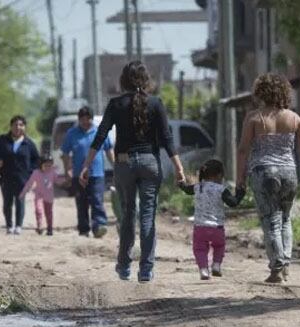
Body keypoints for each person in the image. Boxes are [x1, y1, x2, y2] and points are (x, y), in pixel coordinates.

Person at [80, 61, 186, 282]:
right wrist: (179, 168)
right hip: (150, 163)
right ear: (146, 80)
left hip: (124, 163)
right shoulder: (156, 104)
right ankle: (146, 270)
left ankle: (124, 266)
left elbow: (100, 136)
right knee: (148, 216)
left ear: (123, 81)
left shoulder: (116, 104)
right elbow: (167, 139)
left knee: (128, 214)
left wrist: (86, 166)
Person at [236, 73, 300, 283]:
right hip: (289, 173)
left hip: (263, 172)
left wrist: (240, 179)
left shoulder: (254, 118)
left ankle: (276, 269)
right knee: (285, 218)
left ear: (260, 93)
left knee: (271, 220)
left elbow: (243, 150)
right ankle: (286, 265)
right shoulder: (294, 118)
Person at [178, 159, 245, 280]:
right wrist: (241, 193)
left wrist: (181, 184)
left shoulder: (198, 187)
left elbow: (187, 190)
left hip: (200, 228)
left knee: (199, 249)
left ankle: (203, 270)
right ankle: (216, 265)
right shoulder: (221, 189)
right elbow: (233, 203)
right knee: (219, 246)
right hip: (217, 228)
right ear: (219, 175)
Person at [61, 106, 114, 238]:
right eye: (82, 119)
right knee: (82, 201)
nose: (85, 122)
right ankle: (84, 229)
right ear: (79, 120)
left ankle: (99, 226)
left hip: (97, 174)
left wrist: (116, 166)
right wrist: (67, 170)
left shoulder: (99, 132)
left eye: (88, 119)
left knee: (97, 200)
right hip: (78, 174)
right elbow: (65, 153)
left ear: (92, 118)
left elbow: (109, 150)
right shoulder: (71, 134)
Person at [0, 115, 40, 235]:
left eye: (21, 125)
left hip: (23, 178)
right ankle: (9, 225)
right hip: (6, 176)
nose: (18, 127)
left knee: (20, 201)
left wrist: (30, 173)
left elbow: (36, 160)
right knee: (7, 203)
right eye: (15, 125)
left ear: (24, 127)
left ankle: (19, 226)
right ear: (11, 126)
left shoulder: (29, 144)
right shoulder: (2, 140)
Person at [19, 157, 58, 236]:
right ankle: (39, 226)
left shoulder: (53, 172)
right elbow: (29, 183)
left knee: (49, 213)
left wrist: (68, 181)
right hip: (39, 196)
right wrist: (23, 193)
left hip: (49, 197)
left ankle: (49, 228)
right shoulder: (36, 173)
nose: (48, 168)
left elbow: (58, 181)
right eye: (45, 165)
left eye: (49, 166)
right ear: (41, 165)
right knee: (38, 210)